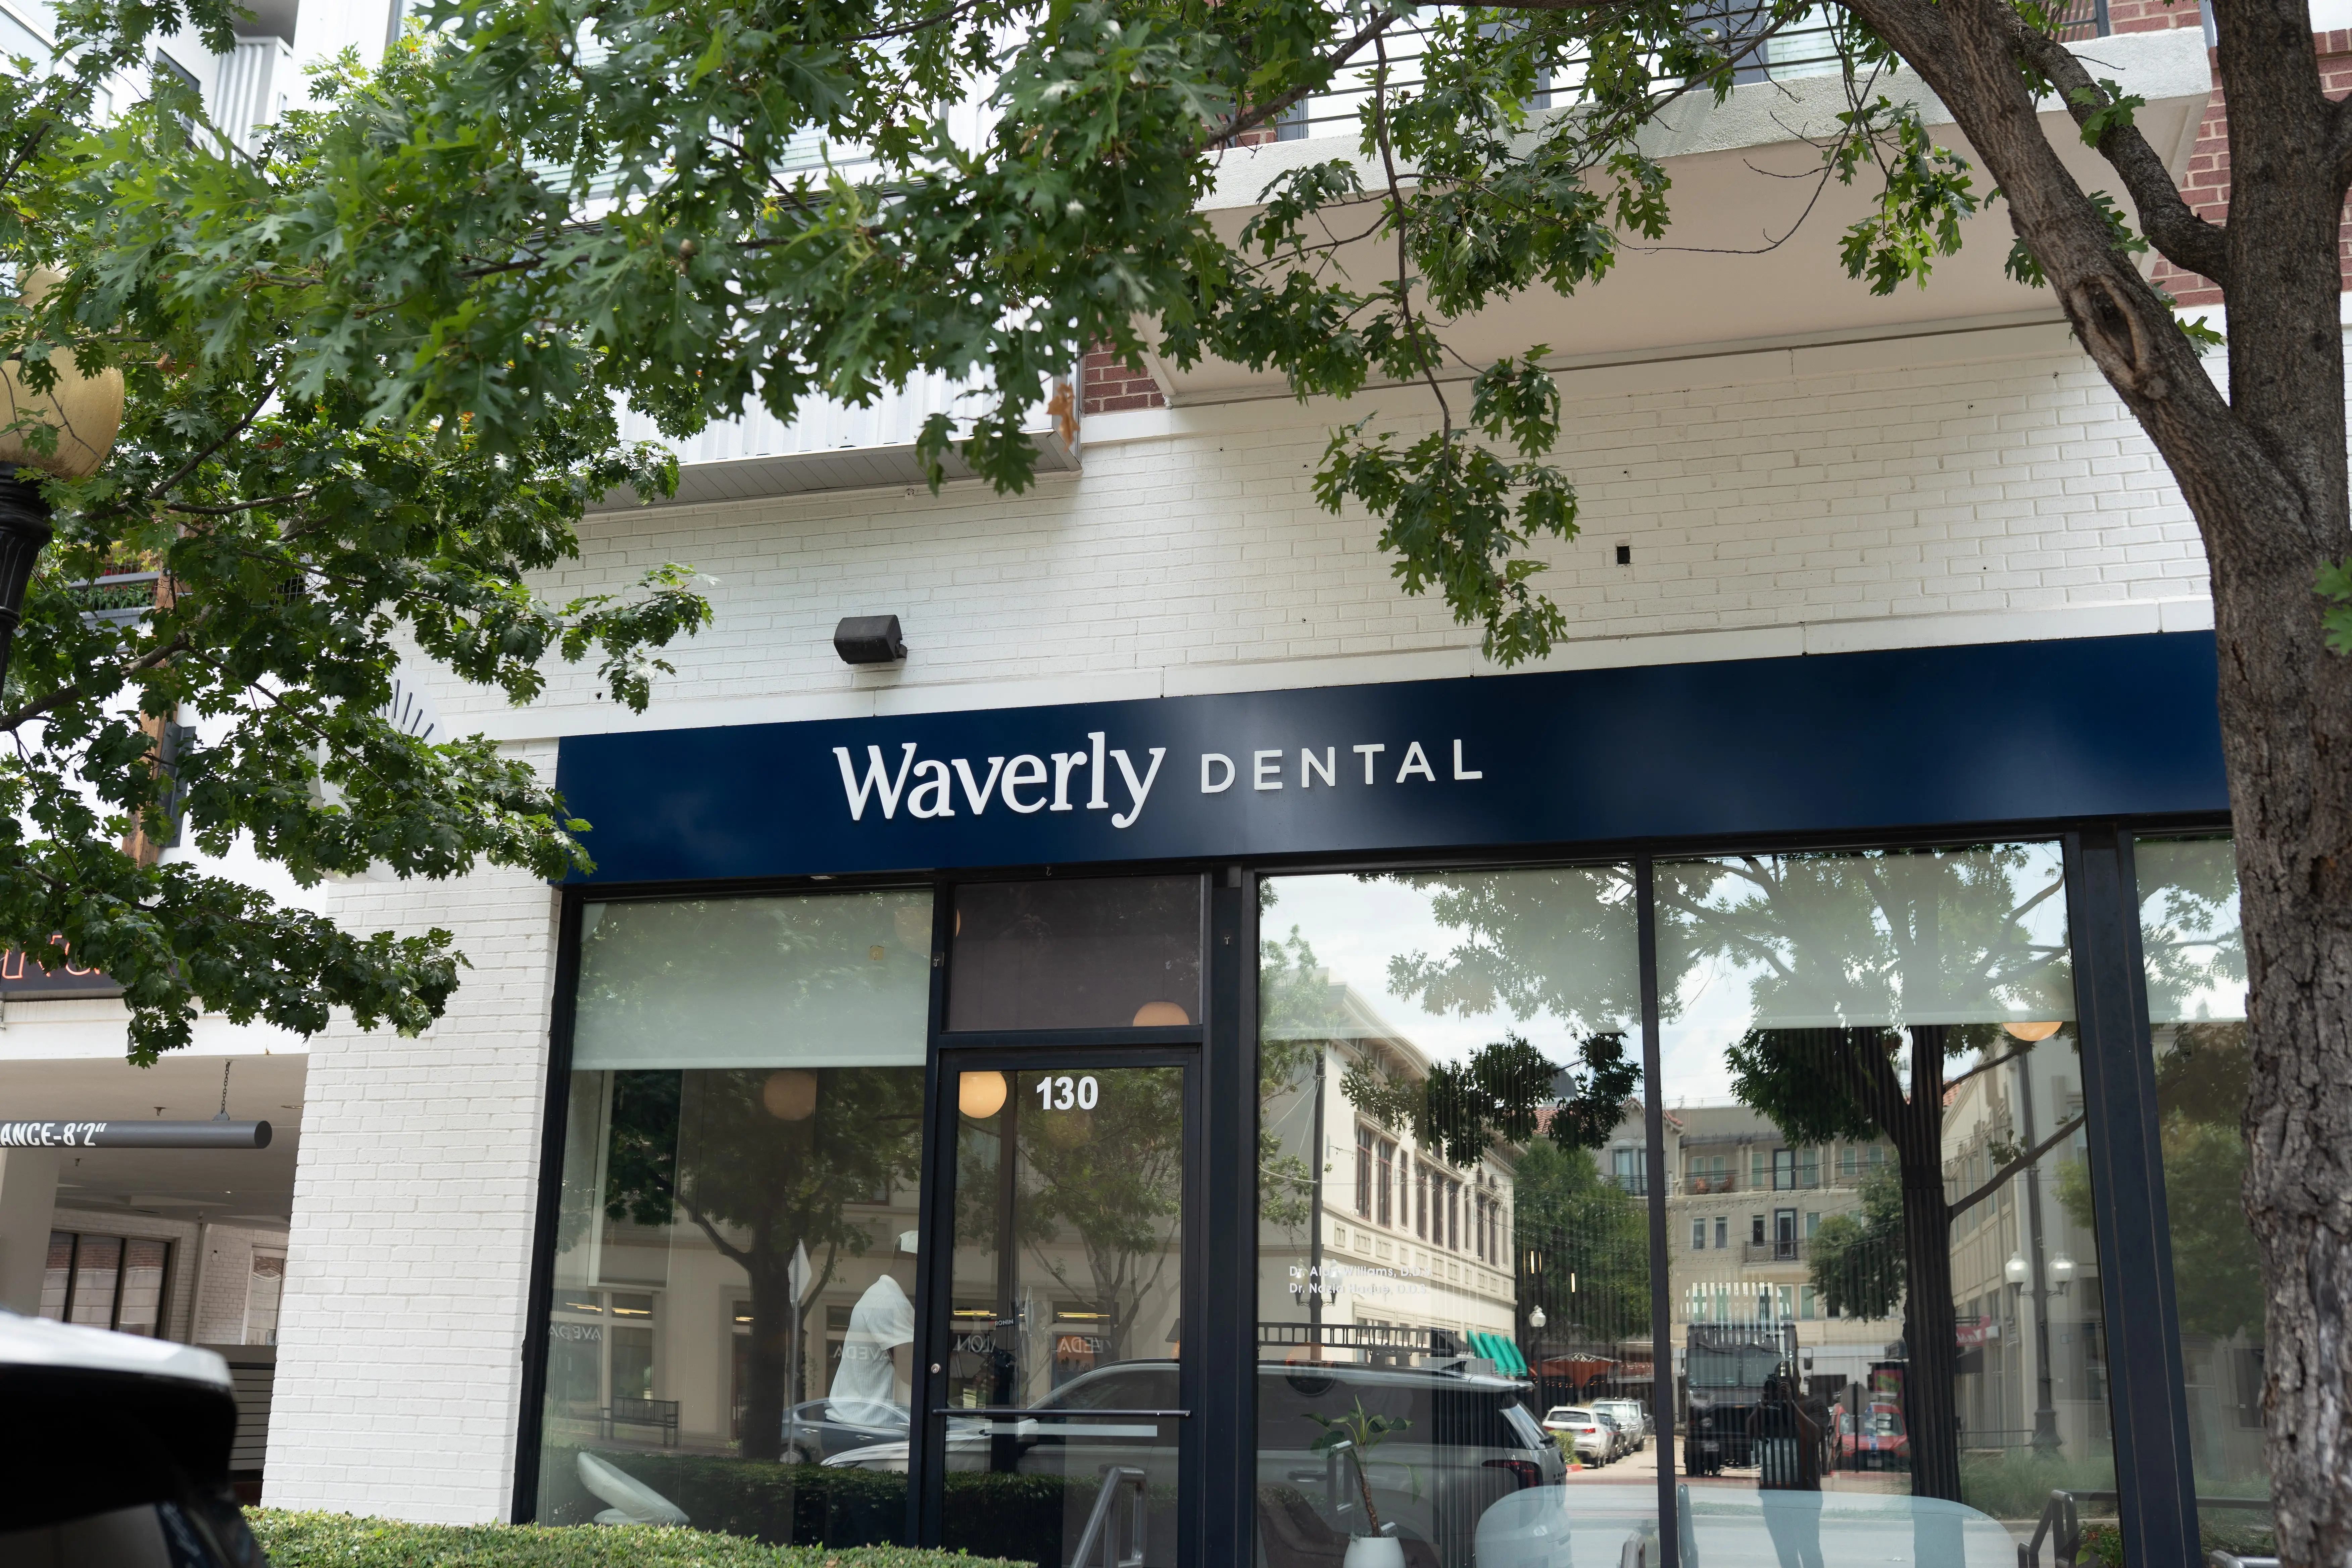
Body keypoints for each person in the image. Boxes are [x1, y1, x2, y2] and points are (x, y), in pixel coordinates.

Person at [1748, 1371, 1824, 1568]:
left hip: (1805, 1492)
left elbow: (1815, 1435)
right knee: (1785, 1554)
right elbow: (1750, 1433)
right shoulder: (1768, 1407)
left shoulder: (1814, 1405)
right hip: (1773, 1492)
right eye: (1779, 1382)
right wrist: (1763, 1405)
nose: (1784, 1385)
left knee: (1810, 1552)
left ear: (1798, 1380)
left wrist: (1792, 1405)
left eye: (1787, 1380)